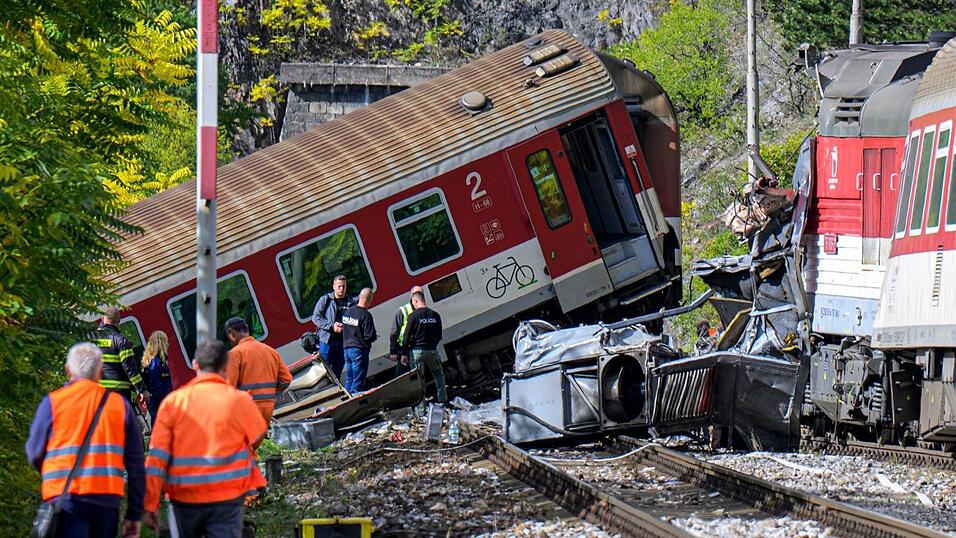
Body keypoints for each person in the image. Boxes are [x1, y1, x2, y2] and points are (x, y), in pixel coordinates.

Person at [144, 340, 267, 537]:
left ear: (195, 365)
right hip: (227, 498)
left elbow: (156, 458)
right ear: (226, 366)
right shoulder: (239, 400)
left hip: (183, 499)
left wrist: (149, 504)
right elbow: (258, 433)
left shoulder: (173, 403)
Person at [26, 342, 145, 538]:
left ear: (67, 370)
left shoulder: (53, 403)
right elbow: (136, 464)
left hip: (65, 499)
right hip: (107, 502)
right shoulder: (120, 405)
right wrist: (134, 514)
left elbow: (34, 452)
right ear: (100, 372)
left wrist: (53, 474)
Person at [225, 317, 292, 426]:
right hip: (269, 406)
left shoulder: (234, 354)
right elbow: (286, 379)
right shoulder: (269, 350)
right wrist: (269, 394)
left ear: (232, 334)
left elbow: (229, 388)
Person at [93, 306, 150, 406]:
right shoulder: (121, 341)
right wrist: (142, 390)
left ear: (102, 319)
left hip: (100, 393)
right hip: (120, 392)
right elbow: (130, 369)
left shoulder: (93, 340)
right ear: (119, 321)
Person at [401, 291, 446, 410]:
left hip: (417, 352)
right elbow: (439, 335)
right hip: (432, 351)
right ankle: (443, 401)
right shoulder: (435, 315)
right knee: (439, 375)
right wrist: (432, 345)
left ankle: (421, 410)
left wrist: (404, 353)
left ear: (415, 301)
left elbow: (406, 336)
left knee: (419, 382)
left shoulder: (413, 316)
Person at [311, 275, 355, 381]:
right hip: (326, 341)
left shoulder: (351, 302)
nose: (341, 289)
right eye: (339, 286)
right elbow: (315, 318)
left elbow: (355, 320)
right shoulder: (325, 300)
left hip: (343, 342)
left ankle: (336, 389)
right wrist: (332, 326)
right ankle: (323, 391)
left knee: (338, 369)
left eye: (344, 286)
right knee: (323, 370)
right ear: (334, 286)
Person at [341, 288, 377, 393]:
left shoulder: (347, 312)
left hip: (346, 349)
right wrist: (374, 337)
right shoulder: (365, 315)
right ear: (370, 299)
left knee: (349, 380)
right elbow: (369, 336)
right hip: (358, 350)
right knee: (357, 382)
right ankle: (355, 401)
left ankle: (346, 399)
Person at [389, 285, 423, 376]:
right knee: (403, 375)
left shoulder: (423, 310)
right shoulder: (403, 311)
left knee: (419, 374)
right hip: (405, 349)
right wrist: (393, 351)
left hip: (419, 348)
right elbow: (394, 332)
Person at [141, 330, 172, 426]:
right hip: (159, 402)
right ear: (161, 343)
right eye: (166, 341)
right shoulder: (154, 363)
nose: (168, 344)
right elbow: (156, 386)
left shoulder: (158, 361)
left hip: (161, 402)